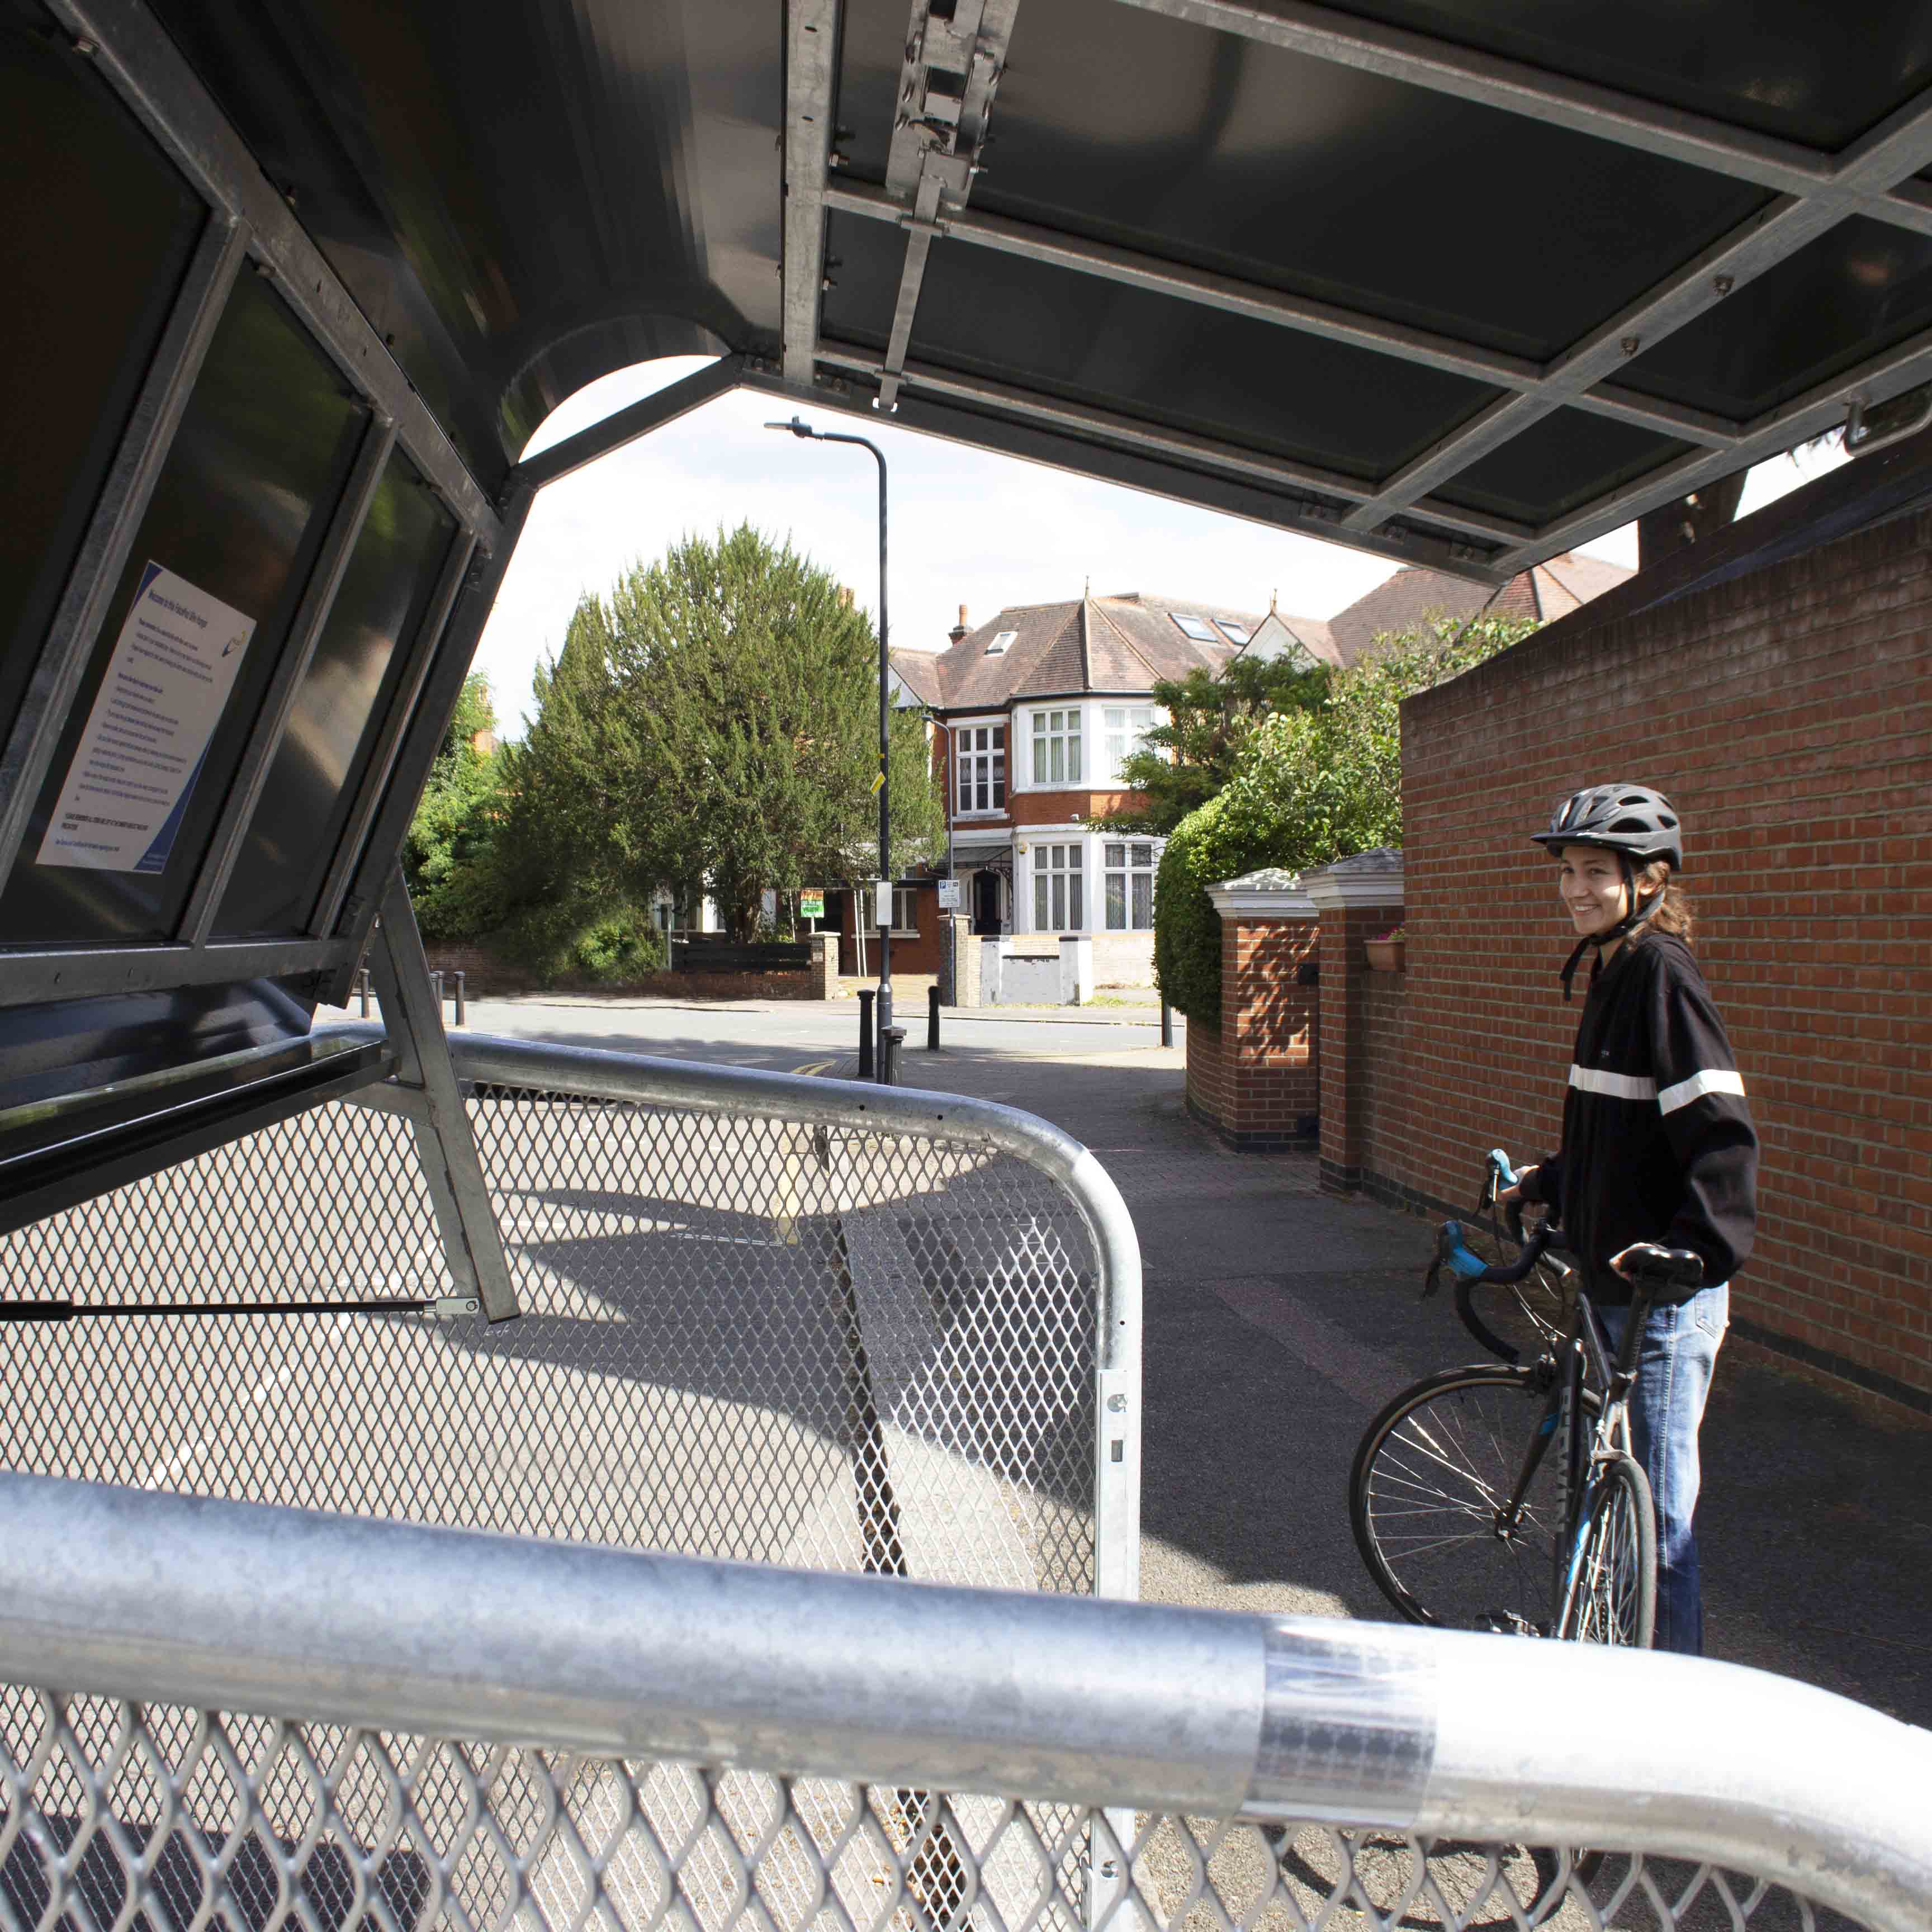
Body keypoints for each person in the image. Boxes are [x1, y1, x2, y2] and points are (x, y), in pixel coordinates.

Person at [1501, 783, 1758, 1655]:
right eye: (1568, 871)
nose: (1576, 889)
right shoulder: (1614, 970)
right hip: (1611, 1284)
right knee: (1611, 1497)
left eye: (1596, 873)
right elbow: (1624, 1128)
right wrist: (1554, 1180)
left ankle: (1671, 1709)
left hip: (1663, 1301)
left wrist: (1696, 1249)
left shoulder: (1662, 975)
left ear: (1647, 880)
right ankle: (1607, 1664)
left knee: (1659, 1522)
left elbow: (1719, 1127)